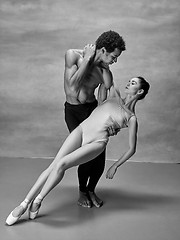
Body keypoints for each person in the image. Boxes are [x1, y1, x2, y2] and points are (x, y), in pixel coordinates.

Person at [6, 76, 150, 226]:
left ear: (139, 91)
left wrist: (115, 165)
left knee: (62, 164)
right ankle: (23, 204)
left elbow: (132, 148)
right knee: (53, 165)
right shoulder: (115, 94)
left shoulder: (131, 118)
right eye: (129, 81)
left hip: (97, 142)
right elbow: (105, 72)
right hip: (82, 129)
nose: (128, 83)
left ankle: (38, 200)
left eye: (133, 83)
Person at [64, 30, 126, 208]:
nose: (115, 61)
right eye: (114, 56)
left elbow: (107, 96)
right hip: (74, 112)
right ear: (104, 50)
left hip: (91, 110)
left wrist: (110, 120)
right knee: (86, 154)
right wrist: (88, 59)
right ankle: (82, 191)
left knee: (99, 154)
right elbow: (73, 87)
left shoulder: (105, 72)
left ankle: (91, 190)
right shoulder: (73, 56)